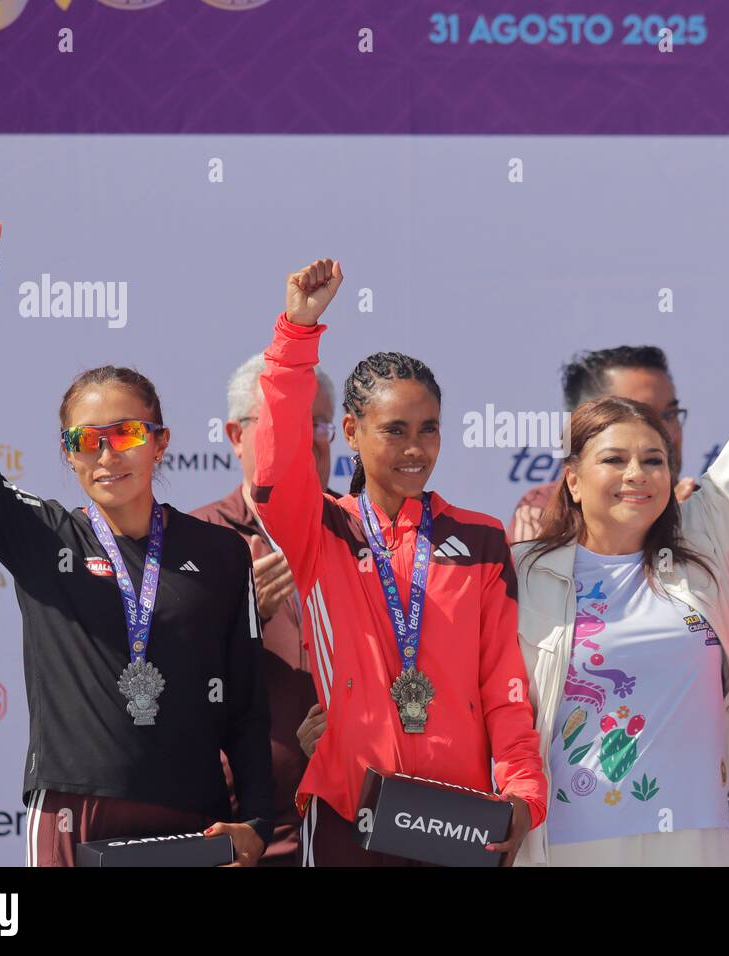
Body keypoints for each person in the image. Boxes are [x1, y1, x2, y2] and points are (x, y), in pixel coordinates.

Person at [0, 216, 273, 867]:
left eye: (127, 433)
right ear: (69, 455)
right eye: (87, 440)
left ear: (161, 441)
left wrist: (253, 821)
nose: (108, 454)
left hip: (193, 818)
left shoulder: (221, 554)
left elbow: (246, 710)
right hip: (76, 813)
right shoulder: (40, 536)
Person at [250, 257, 547, 866]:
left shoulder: (481, 538)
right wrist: (296, 335)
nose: (416, 448)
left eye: (429, 429)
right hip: (347, 814)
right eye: (395, 430)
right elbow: (276, 473)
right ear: (352, 432)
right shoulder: (320, 529)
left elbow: (504, 688)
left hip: (458, 816)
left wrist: (521, 792)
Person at [513, 247, 729, 865]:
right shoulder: (525, 573)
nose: (636, 475)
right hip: (569, 844)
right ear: (572, 477)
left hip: (693, 838)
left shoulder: (700, 540)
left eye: (654, 459)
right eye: (613, 460)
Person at [192, 354, 337, 865]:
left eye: (318, 424)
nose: (308, 439)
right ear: (236, 435)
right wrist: (236, 619)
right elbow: (147, 681)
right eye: (286, 424)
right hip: (246, 832)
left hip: (358, 822)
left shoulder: (364, 534)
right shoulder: (195, 541)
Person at [508, 345, 697, 543]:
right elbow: (543, 572)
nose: (666, 433)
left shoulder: (709, 511)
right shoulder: (542, 510)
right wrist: (664, 527)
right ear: (584, 425)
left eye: (671, 415)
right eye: (641, 416)